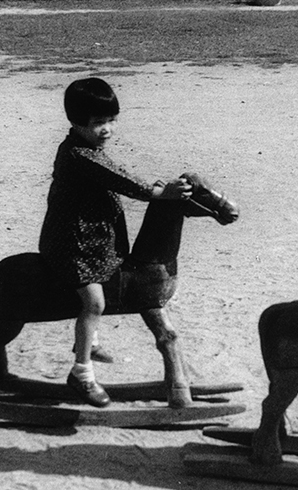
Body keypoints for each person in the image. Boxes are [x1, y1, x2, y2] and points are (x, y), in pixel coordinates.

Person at [39, 77, 191, 407]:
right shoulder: (80, 155)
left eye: (111, 121)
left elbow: (116, 170)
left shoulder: (89, 148)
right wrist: (160, 193)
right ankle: (81, 374)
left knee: (111, 283)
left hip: (92, 242)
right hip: (72, 246)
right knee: (94, 302)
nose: (106, 129)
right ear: (75, 122)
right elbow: (120, 179)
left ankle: (89, 340)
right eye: (97, 123)